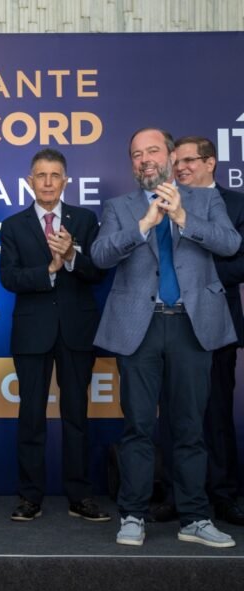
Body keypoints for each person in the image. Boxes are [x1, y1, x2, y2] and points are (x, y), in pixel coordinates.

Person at [92, 127, 239, 548]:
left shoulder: (204, 199)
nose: (145, 159)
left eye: (153, 151)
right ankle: (133, 514)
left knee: (190, 427)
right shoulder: (120, 207)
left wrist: (182, 219)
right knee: (138, 426)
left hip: (193, 325)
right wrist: (143, 226)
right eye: (136, 154)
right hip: (140, 327)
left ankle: (194, 518)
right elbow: (101, 255)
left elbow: (230, 244)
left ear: (173, 157)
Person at [0, 149, 109, 522]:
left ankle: (79, 496)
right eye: (41, 175)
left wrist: (73, 255)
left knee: (76, 414)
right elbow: (8, 278)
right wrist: (49, 268)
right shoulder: (13, 225)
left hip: (77, 330)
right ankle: (30, 497)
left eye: (55, 175)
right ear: (30, 181)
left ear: (65, 181)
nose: (47, 182)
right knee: (30, 415)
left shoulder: (85, 219)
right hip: (32, 332)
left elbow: (98, 271)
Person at [172, 136, 244, 526]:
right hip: (168, 324)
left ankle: (224, 494)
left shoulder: (236, 205)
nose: (181, 168)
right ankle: (176, 494)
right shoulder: (164, 202)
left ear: (211, 162)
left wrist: (205, 276)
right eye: (176, 161)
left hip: (217, 321)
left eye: (189, 160)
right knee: (175, 415)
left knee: (215, 413)